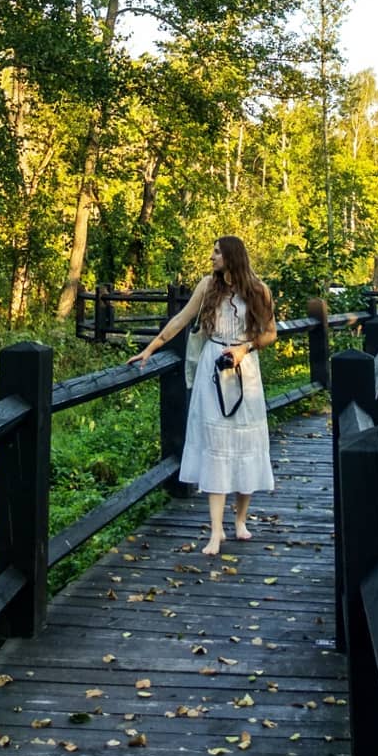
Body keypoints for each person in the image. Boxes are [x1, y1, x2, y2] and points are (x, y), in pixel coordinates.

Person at [129, 236, 277, 556]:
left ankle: (240, 521)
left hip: (244, 367)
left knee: (245, 442)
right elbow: (180, 320)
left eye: (217, 252)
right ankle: (215, 531)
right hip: (212, 365)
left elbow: (270, 332)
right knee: (215, 443)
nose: (211, 257)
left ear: (232, 256)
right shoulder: (207, 287)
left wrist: (244, 349)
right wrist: (150, 349)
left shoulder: (258, 290)